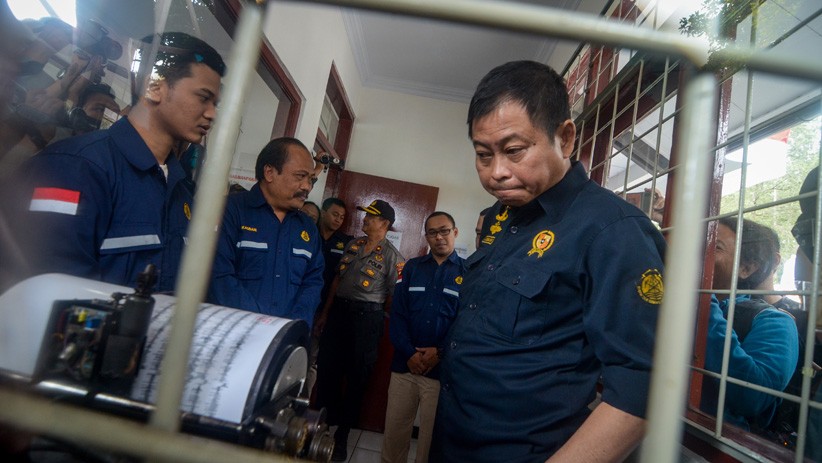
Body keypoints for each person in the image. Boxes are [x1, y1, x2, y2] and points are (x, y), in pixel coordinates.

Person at [430, 60, 666, 462]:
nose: (496, 173)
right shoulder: (503, 216)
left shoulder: (614, 230)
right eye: (483, 155)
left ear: (566, 138)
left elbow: (643, 388)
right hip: (454, 439)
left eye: (514, 151)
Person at [2, 32, 225, 293]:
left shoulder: (179, 189)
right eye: (203, 98)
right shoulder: (77, 168)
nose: (211, 114)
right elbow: (50, 298)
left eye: (215, 103)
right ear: (155, 88)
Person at [314, 199, 405, 461]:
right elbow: (337, 281)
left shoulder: (393, 257)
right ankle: (321, 426)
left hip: (366, 321)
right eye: (366, 215)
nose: (365, 219)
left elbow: (393, 297)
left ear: (385, 224)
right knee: (328, 371)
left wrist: (370, 313)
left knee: (356, 379)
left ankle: (342, 436)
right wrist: (326, 314)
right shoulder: (352, 245)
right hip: (337, 316)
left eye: (371, 217)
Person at [207, 137, 324, 326]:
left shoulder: (308, 228)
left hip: (283, 341)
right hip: (232, 332)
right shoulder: (231, 211)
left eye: (310, 179)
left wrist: (292, 326)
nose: (307, 186)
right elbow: (218, 274)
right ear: (269, 172)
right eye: (300, 176)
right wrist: (260, 326)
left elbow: (313, 283)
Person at [381, 211, 464, 463]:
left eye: (444, 231)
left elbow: (464, 324)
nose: (439, 237)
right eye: (432, 232)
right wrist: (409, 353)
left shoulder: (469, 275)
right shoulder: (410, 269)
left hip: (440, 374)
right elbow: (397, 315)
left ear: (455, 232)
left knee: (430, 444)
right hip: (404, 368)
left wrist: (439, 353)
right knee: (394, 437)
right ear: (426, 236)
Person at [701, 217, 799, 432]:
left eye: (715, 247)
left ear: (746, 268)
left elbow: (752, 398)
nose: (700, 254)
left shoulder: (774, 322)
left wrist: (703, 302)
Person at [305, 197, 352, 396]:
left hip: (326, 310)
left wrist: (325, 314)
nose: (338, 220)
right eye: (335, 214)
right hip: (301, 304)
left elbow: (340, 280)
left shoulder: (346, 243)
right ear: (323, 213)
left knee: (313, 360)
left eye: (342, 217)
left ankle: (303, 402)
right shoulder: (306, 235)